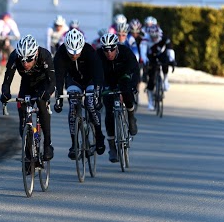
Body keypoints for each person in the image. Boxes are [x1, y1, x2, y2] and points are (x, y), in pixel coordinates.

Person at [0, 34, 56, 161]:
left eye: (29, 59)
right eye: (22, 60)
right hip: (26, 85)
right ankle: (28, 155)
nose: (25, 63)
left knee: (42, 104)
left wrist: (48, 93)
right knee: (23, 120)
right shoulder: (14, 56)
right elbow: (7, 81)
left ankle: (48, 144)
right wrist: (5, 94)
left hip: (43, 85)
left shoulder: (45, 55)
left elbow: (53, 81)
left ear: (35, 54)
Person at [53, 29, 106, 159]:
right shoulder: (60, 53)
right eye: (71, 54)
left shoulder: (89, 51)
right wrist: (58, 98)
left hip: (90, 80)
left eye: (77, 53)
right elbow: (58, 78)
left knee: (90, 103)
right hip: (73, 80)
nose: (74, 56)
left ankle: (99, 135)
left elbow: (99, 74)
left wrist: (98, 95)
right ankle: (74, 144)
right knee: (73, 105)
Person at [96, 33, 139, 163]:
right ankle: (112, 147)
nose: (109, 53)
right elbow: (94, 74)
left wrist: (133, 85)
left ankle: (131, 116)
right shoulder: (98, 55)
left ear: (117, 47)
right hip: (107, 81)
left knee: (126, 92)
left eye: (112, 49)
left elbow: (135, 69)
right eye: (106, 50)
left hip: (123, 77)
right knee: (109, 111)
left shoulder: (125, 52)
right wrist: (98, 90)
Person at [140, 25, 176, 110]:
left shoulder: (164, 38)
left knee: (166, 62)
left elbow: (170, 50)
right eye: (152, 37)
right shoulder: (145, 39)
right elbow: (143, 53)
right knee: (151, 79)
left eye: (156, 37)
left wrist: (172, 60)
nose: (154, 39)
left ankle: (165, 80)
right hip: (150, 56)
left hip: (161, 54)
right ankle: (150, 102)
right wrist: (146, 62)